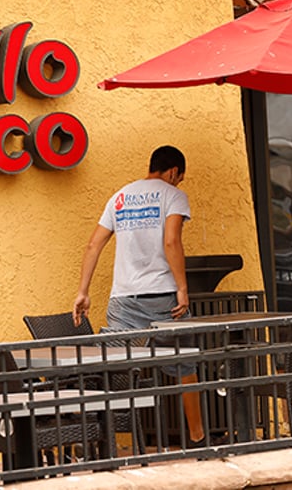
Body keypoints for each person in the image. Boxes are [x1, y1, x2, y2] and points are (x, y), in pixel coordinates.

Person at [73, 145, 204, 444]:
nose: (178, 183)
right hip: (162, 298)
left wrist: (83, 291)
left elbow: (93, 245)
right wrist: (183, 288)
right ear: (173, 171)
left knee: (112, 367)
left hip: (123, 299)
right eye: (179, 178)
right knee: (184, 363)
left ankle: (97, 439)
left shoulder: (119, 197)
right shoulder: (173, 195)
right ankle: (198, 438)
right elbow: (171, 242)